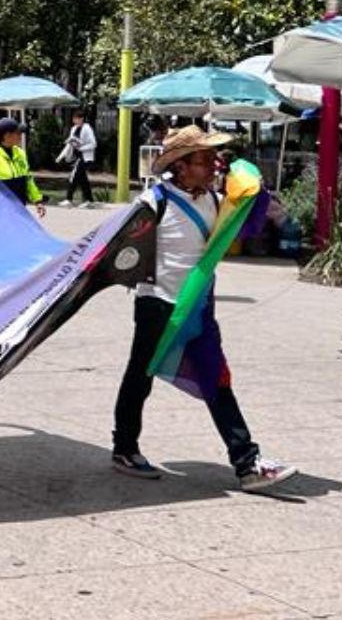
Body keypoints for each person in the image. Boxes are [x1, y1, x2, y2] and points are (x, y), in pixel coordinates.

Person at [112, 126, 295, 492]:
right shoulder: (153, 202)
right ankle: (125, 448)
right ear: (180, 166)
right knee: (140, 376)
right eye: (204, 160)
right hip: (158, 304)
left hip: (198, 306)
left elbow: (252, 219)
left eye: (213, 159)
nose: (214, 165)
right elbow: (121, 250)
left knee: (217, 377)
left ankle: (247, 463)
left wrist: (245, 184)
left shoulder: (213, 201)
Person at [0, 118, 45, 218]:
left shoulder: (20, 153)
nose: (21, 136)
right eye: (18, 133)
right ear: (7, 135)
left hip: (20, 208)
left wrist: (37, 201)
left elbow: (28, 179)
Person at [61, 109, 99, 206]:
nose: (75, 121)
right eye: (74, 119)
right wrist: (63, 155)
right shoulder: (73, 129)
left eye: (77, 119)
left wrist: (82, 148)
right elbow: (70, 143)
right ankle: (90, 200)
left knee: (74, 176)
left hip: (85, 158)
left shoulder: (87, 128)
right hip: (77, 157)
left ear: (82, 119)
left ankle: (69, 199)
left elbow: (93, 144)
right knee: (83, 180)